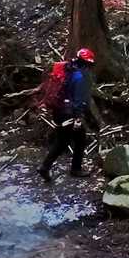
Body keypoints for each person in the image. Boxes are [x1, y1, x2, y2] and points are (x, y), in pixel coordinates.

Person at [40, 46, 99, 180]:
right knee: (78, 140)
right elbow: (79, 100)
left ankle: (46, 167)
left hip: (58, 110)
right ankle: (74, 169)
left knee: (63, 141)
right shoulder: (80, 77)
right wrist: (78, 118)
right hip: (69, 114)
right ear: (87, 63)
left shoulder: (68, 68)